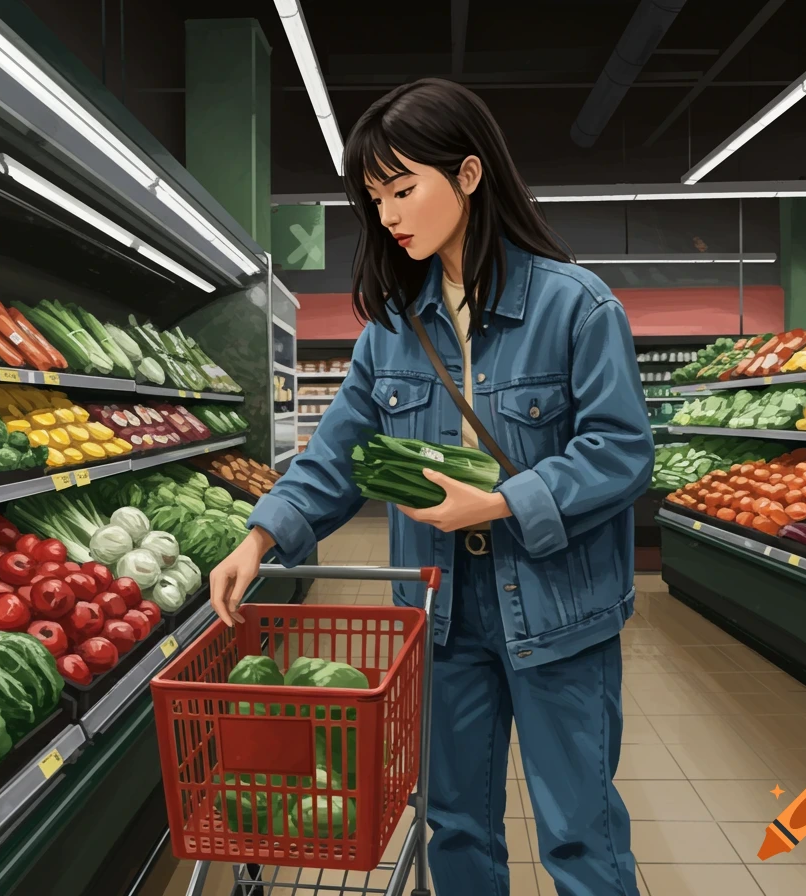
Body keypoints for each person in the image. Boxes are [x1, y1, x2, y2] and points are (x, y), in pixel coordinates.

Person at [209, 78, 653, 896]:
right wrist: (260, 534)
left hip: (558, 607)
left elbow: (622, 451)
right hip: (441, 612)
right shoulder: (392, 329)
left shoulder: (577, 307)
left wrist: (501, 502)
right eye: (376, 198)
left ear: (471, 175)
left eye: (404, 189)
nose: (388, 215)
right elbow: (338, 452)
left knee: (580, 833)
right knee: (454, 825)